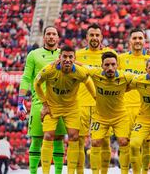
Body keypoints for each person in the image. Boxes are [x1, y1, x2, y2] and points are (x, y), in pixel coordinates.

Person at [34, 45, 96, 174]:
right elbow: (37, 83)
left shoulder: (79, 72)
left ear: (74, 58)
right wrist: (44, 104)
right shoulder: (49, 70)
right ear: (59, 57)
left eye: (70, 57)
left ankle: (71, 172)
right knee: (48, 135)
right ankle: (45, 172)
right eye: (65, 56)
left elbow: (89, 82)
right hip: (52, 107)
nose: (67, 59)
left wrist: (96, 98)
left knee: (74, 137)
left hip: (71, 108)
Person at [18, 26, 66, 174]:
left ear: (58, 37)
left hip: (61, 104)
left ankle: (58, 172)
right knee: (37, 139)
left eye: (54, 34)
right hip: (39, 103)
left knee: (58, 139)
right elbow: (26, 77)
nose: (51, 37)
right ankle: (33, 172)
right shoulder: (34, 54)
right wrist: (20, 101)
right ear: (44, 37)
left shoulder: (65, 55)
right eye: (48, 34)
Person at [75, 24, 116, 174]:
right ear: (86, 37)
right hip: (81, 103)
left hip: (103, 104)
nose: (94, 38)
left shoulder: (110, 54)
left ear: (101, 37)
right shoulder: (77, 55)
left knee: (104, 141)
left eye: (97, 35)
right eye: (91, 35)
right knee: (78, 140)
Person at [88, 52, 134, 174]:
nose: (110, 68)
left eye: (113, 64)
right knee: (95, 142)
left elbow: (143, 78)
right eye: (107, 65)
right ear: (101, 65)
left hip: (120, 116)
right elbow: (80, 66)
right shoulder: (95, 73)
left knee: (124, 142)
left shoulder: (125, 76)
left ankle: (124, 171)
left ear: (117, 65)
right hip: (100, 116)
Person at [118, 28, 150, 174]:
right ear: (130, 41)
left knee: (146, 144)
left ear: (144, 41)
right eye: (135, 38)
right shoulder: (121, 59)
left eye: (140, 38)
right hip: (125, 107)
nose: (138, 41)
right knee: (125, 144)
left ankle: (144, 172)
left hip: (145, 108)